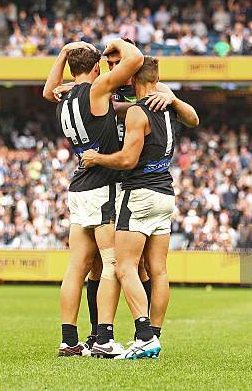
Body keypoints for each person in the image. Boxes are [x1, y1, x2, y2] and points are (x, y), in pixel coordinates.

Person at [43, 39, 156, 357]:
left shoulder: (61, 97)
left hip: (79, 186)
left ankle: (69, 340)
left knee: (77, 267)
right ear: (95, 68)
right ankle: (104, 338)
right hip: (103, 184)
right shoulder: (96, 90)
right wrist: (115, 45)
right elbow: (135, 59)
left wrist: (65, 51)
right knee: (112, 263)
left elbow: (46, 89)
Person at [82, 56, 199, 359]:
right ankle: (154, 336)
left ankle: (144, 335)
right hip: (165, 194)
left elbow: (126, 160)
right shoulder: (168, 105)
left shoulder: (139, 111)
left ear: (133, 79)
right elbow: (194, 118)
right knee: (158, 270)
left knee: (124, 266)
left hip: (140, 193)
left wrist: (97, 158)